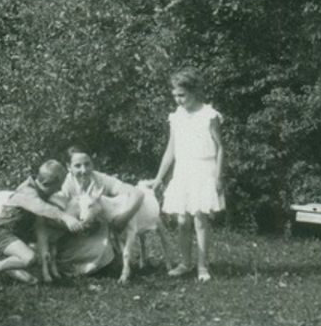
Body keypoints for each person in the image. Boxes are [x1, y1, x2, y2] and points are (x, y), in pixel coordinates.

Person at [145, 68, 225, 281]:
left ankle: (202, 266)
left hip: (203, 170)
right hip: (183, 170)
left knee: (200, 219)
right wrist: (159, 177)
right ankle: (185, 262)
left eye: (182, 95)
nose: (178, 100)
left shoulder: (209, 115)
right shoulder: (176, 116)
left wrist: (219, 177)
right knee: (182, 220)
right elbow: (170, 150)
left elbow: (220, 148)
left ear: (195, 92)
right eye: (175, 96)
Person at [0, 160, 83, 286]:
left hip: (18, 236)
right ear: (46, 183)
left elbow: (43, 221)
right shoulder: (27, 191)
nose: (59, 189)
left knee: (35, 278)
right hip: (3, 234)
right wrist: (66, 217)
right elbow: (41, 207)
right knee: (30, 259)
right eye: (58, 186)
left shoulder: (41, 191)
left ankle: (6, 263)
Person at [54, 147, 144, 276]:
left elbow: (137, 194)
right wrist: (70, 220)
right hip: (73, 233)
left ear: (92, 164)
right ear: (69, 167)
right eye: (77, 166)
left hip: (99, 231)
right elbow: (54, 214)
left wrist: (124, 218)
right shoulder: (64, 184)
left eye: (87, 164)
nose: (84, 170)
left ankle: (106, 260)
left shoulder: (100, 179)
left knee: (104, 251)